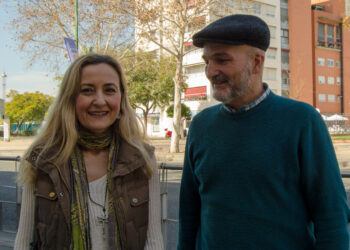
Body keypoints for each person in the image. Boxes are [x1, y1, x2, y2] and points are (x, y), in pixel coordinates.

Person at [178, 14, 350, 250]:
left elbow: (331, 216)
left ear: (257, 62)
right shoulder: (200, 125)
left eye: (222, 60)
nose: (210, 71)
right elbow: (189, 213)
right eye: (207, 60)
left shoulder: (302, 121)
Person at [14, 54, 164, 250]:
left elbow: (153, 241)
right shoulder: (43, 159)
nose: (100, 100)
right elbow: (24, 241)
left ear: (121, 97)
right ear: (70, 98)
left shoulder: (142, 158)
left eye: (109, 90)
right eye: (87, 90)